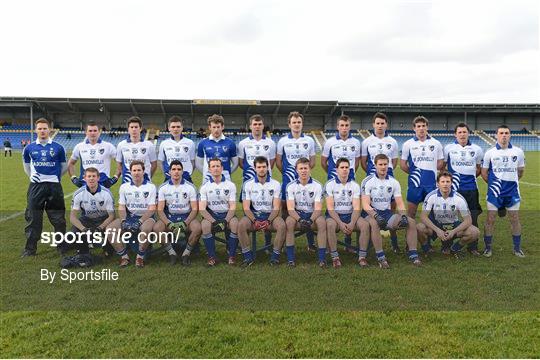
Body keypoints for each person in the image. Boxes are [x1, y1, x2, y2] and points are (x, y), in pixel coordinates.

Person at [361, 154, 422, 268]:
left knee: (411, 222)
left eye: (385, 164)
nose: (383, 167)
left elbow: (399, 202)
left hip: (387, 214)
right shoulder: (368, 181)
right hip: (370, 214)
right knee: (375, 224)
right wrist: (376, 216)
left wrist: (403, 216)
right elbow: (365, 204)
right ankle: (381, 257)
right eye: (380, 164)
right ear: (375, 165)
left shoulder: (394, 182)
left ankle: (413, 255)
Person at [21, 118, 68, 257]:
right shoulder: (28, 148)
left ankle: (61, 246)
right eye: (40, 128)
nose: (42, 131)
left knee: (58, 218)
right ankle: (30, 249)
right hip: (36, 187)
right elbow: (27, 167)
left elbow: (64, 166)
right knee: (33, 218)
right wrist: (33, 178)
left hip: (54, 186)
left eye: (45, 128)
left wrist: (55, 178)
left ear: (49, 130)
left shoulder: (58, 147)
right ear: (36, 130)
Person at [481, 125, 526, 258]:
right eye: (501, 133)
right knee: (490, 219)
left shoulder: (518, 152)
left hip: (512, 192)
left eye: (506, 133)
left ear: (510, 135)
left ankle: (517, 248)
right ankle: (488, 248)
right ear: (496, 135)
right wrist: (493, 186)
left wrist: (511, 181)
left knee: (514, 219)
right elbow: (484, 172)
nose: (504, 135)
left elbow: (521, 171)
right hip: (495, 193)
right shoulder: (490, 152)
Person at [276, 111, 317, 251]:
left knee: (308, 208)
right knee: (286, 209)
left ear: (302, 124)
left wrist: (303, 174)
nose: (296, 124)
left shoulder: (309, 140)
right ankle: (284, 243)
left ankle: (311, 244)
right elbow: (278, 162)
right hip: (287, 181)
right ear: (289, 124)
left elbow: (312, 161)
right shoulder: (282, 141)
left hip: (305, 181)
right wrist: (289, 174)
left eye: (299, 122)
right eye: (294, 122)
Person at [360, 112, 400, 252]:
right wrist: (373, 174)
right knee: (371, 210)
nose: (380, 125)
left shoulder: (393, 142)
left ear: (386, 125)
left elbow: (394, 163)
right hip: (372, 182)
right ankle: (371, 243)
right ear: (373, 125)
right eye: (377, 123)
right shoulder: (366, 142)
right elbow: (364, 163)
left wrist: (385, 171)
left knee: (392, 210)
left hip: (389, 180)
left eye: (382, 123)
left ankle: (395, 243)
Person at [106, 161, 157, 268]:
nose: (136, 173)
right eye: (134, 170)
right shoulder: (124, 187)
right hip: (129, 217)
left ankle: (140, 257)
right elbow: (121, 206)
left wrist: (140, 221)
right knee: (109, 230)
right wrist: (124, 220)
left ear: (143, 171)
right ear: (130, 172)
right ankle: (124, 256)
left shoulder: (151, 187)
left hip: (146, 217)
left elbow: (152, 209)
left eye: (139, 170)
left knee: (146, 229)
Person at [443, 122, 484, 255]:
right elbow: (443, 168)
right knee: (449, 218)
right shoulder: (448, 148)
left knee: (473, 217)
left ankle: (473, 247)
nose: (462, 134)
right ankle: (446, 245)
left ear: (468, 133)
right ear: (455, 134)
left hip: (471, 189)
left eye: (464, 132)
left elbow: (478, 169)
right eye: (459, 132)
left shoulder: (477, 149)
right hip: (453, 190)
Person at [417, 171, 480, 256]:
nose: (445, 184)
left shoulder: (459, 198)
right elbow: (423, 216)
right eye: (442, 182)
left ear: (451, 183)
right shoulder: (431, 196)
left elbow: (468, 220)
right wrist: (437, 230)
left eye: (448, 182)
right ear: (437, 184)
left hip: (453, 225)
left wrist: (453, 231)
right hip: (437, 225)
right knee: (419, 227)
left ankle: (454, 248)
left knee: (475, 232)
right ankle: (427, 249)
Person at [237, 114, 277, 248]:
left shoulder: (270, 143)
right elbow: (242, 163)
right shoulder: (243, 143)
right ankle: (247, 244)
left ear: (263, 126)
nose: (257, 126)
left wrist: (263, 171)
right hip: (249, 182)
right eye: (255, 124)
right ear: (250, 126)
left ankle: (267, 244)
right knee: (248, 212)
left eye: (259, 124)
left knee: (268, 208)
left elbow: (271, 162)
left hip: (266, 182)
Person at [237, 156, 285, 266]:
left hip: (270, 216)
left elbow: (276, 207)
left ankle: (275, 258)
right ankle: (248, 258)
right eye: (259, 167)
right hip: (254, 216)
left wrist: (268, 221)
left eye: (264, 166)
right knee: (241, 225)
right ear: (254, 168)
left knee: (282, 225)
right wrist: (254, 220)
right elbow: (246, 208)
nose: (262, 169)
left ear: (268, 167)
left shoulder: (276, 184)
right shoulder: (247, 184)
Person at [152, 160, 202, 266]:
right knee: (157, 228)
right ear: (169, 172)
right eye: (173, 169)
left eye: (179, 169)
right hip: (170, 217)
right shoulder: (163, 188)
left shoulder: (190, 187)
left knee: (198, 228)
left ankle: (186, 254)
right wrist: (168, 223)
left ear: (182, 172)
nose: (176, 172)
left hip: (186, 217)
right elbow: (160, 209)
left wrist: (186, 222)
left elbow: (194, 209)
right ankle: (172, 253)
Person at [324, 158, 370, 268]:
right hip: (335, 215)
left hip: (350, 215)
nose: (345, 170)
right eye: (342, 167)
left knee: (365, 225)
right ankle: (335, 257)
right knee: (330, 225)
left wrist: (352, 223)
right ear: (336, 169)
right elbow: (330, 208)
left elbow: (356, 207)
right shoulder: (329, 184)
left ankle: (362, 257)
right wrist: (340, 223)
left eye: (347, 168)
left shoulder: (354, 185)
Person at [284, 157, 327, 267]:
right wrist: (300, 219)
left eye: (306, 168)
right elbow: (290, 209)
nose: (303, 171)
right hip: (297, 215)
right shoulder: (291, 186)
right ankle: (290, 259)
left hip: (313, 215)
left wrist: (311, 220)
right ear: (296, 170)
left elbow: (318, 209)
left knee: (322, 223)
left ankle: (322, 259)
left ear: (310, 169)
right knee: (289, 223)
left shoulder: (317, 185)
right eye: (301, 168)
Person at [400, 116, 444, 220]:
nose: (421, 128)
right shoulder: (408, 144)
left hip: (431, 184)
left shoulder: (436, 143)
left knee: (432, 214)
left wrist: (431, 170)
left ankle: (430, 235)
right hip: (415, 184)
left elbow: (441, 162)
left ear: (427, 127)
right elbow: (402, 164)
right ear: (414, 128)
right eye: (418, 126)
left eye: (423, 126)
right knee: (411, 213)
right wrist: (413, 173)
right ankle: (411, 235)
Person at [198, 158, 239, 266]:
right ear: (209, 169)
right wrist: (214, 222)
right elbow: (202, 208)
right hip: (212, 215)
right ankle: (212, 257)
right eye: (213, 166)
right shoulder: (204, 187)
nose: (215, 168)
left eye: (218, 166)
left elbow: (233, 206)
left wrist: (225, 221)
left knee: (235, 225)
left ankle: (232, 256)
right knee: (205, 226)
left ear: (222, 168)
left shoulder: (230, 185)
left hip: (227, 214)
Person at [69, 167, 115, 255]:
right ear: (84, 178)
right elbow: (72, 217)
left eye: (93, 176)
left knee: (110, 249)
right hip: (87, 219)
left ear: (98, 178)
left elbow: (111, 216)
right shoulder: (78, 194)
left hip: (103, 219)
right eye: (89, 176)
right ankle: (83, 250)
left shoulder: (106, 193)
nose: (91, 178)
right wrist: (84, 229)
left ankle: (107, 248)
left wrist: (99, 228)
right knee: (74, 232)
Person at [68, 121, 118, 188]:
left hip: (103, 183)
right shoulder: (79, 146)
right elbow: (71, 163)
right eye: (90, 131)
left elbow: (120, 163)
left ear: (99, 132)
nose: (92, 133)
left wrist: (115, 178)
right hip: (85, 184)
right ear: (86, 132)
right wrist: (73, 178)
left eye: (95, 130)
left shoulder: (108, 146)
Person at [196, 114, 238, 182]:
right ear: (209, 127)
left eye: (218, 127)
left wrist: (227, 173)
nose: (216, 130)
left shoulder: (230, 143)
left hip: (226, 179)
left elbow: (235, 163)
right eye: (214, 127)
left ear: (222, 127)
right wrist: (208, 173)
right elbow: (198, 164)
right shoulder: (202, 143)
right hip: (208, 179)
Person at [115, 116, 157, 184]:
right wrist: (124, 175)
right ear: (128, 129)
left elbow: (154, 164)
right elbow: (119, 163)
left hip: (145, 180)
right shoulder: (121, 145)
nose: (134, 129)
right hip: (127, 181)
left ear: (140, 128)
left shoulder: (149, 145)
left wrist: (148, 176)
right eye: (131, 127)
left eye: (136, 127)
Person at [321, 115, 361, 180]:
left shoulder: (356, 142)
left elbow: (356, 163)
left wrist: (349, 172)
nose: (344, 128)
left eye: (346, 125)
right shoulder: (329, 142)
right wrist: (331, 172)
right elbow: (323, 162)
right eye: (342, 125)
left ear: (350, 127)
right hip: (333, 179)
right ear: (338, 127)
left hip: (350, 178)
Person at [158, 115, 196, 183]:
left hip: (186, 178)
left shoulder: (190, 143)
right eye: (173, 127)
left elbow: (193, 162)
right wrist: (166, 174)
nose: (175, 129)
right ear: (169, 128)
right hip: (170, 178)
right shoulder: (164, 144)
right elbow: (160, 162)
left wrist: (189, 173)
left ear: (182, 128)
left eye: (178, 127)